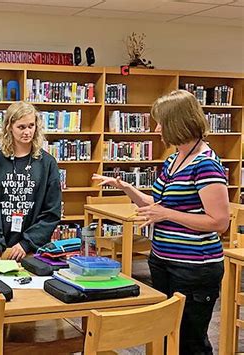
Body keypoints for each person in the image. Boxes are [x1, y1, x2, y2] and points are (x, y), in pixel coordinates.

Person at [93, 89, 229, 354]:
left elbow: (219, 222)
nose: (156, 129)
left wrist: (166, 214)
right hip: (164, 260)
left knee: (190, 341)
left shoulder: (206, 165)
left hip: (194, 268)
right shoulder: (174, 159)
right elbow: (157, 205)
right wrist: (126, 188)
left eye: (161, 123)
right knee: (166, 336)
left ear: (178, 124)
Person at [0, 101, 61, 261]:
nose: (27, 132)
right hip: (1, 249)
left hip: (34, 250)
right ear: (10, 127)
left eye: (31, 126)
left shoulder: (47, 163)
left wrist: (27, 243)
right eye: (21, 127)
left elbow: (52, 211)